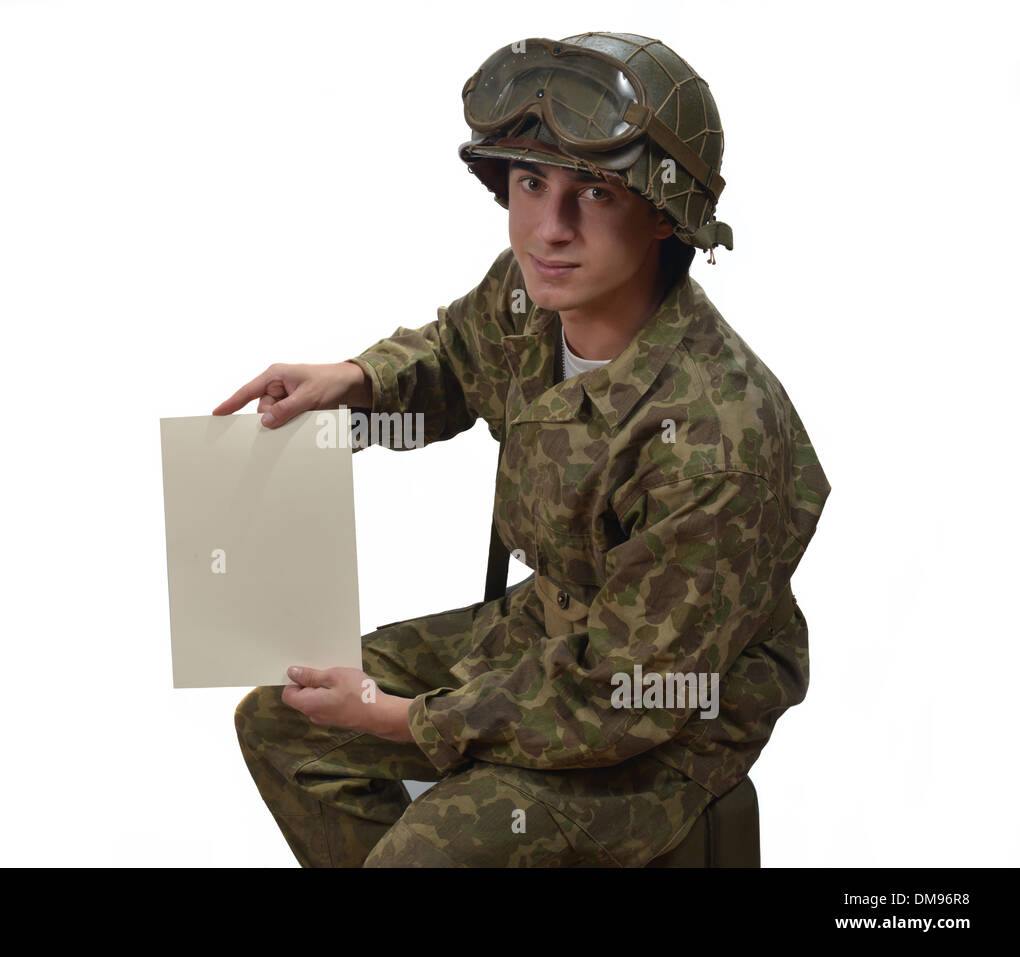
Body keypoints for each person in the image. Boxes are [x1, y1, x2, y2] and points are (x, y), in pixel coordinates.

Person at [213, 31, 831, 867]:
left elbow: (626, 694)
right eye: (531, 183)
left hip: (671, 717)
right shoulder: (531, 293)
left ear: (662, 212)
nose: (549, 228)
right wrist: (356, 379)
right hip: (548, 631)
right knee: (280, 721)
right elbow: (456, 358)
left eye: (596, 194)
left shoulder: (716, 441)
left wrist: (407, 719)